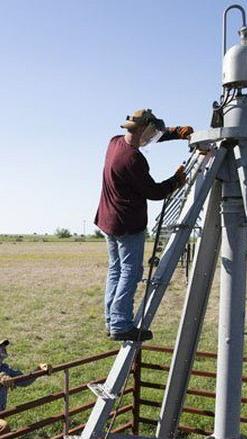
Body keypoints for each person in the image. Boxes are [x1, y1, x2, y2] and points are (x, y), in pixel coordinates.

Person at [94, 108, 193, 341]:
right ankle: (120, 324)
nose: (152, 138)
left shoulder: (115, 142)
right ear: (144, 130)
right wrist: (176, 180)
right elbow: (155, 192)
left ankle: (112, 320)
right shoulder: (133, 159)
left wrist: (175, 133)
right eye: (151, 132)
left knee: (116, 270)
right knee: (131, 272)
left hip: (109, 220)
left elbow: (148, 136)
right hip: (127, 223)